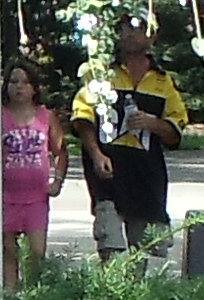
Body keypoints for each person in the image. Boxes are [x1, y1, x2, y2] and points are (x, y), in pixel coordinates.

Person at [79, 22, 188, 255]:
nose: (129, 34)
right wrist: (97, 155)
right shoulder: (100, 73)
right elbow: (82, 118)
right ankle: (112, 279)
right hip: (108, 174)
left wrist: (153, 123)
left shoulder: (163, 80)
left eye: (137, 28)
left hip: (145, 175)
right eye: (125, 28)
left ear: (152, 36)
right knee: (111, 245)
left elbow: (175, 132)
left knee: (144, 248)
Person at [0, 61, 65, 293]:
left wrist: (57, 181)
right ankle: (9, 299)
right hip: (6, 198)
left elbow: (61, 151)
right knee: (8, 253)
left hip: (36, 199)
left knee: (36, 254)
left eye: (25, 82)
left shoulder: (46, 116)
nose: (19, 87)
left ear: (34, 87)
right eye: (14, 82)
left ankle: (33, 299)